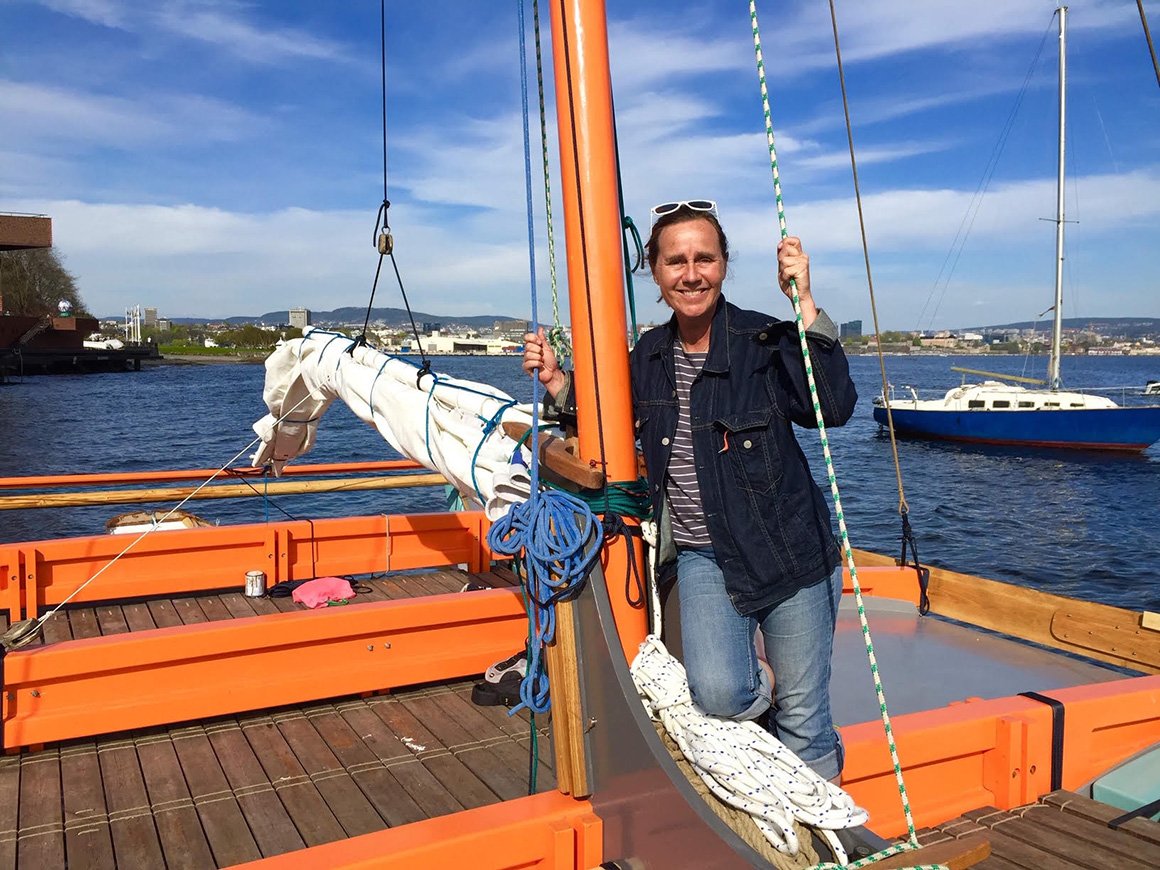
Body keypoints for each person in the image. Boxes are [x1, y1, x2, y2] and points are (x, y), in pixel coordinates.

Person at [522, 200, 857, 781]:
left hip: (792, 552)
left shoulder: (764, 340)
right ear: (655, 272)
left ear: (724, 265)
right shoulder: (647, 357)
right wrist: (556, 382)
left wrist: (803, 303)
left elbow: (830, 407)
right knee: (719, 693)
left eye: (704, 258)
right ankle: (769, 743)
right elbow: (604, 415)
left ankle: (821, 829)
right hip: (706, 558)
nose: (691, 273)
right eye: (675, 261)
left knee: (805, 717)